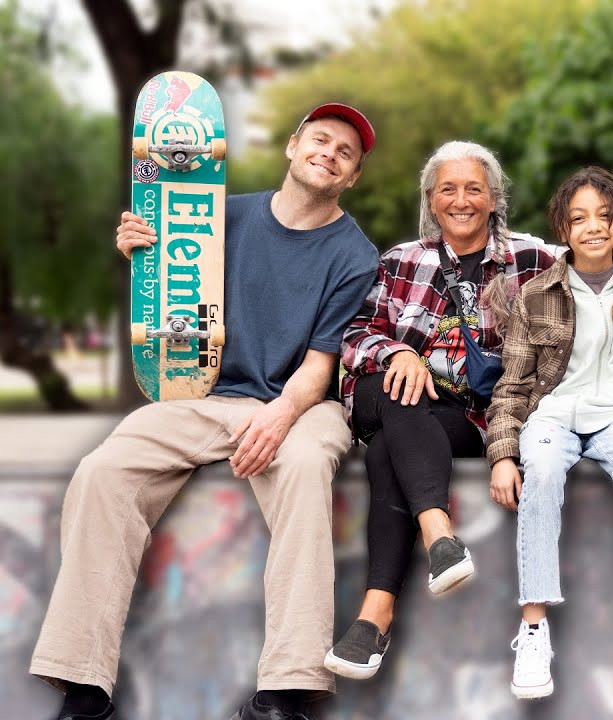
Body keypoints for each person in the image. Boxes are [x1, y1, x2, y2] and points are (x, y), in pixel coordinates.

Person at [32, 103, 381, 720]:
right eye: (320, 140)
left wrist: (278, 418)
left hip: (305, 403)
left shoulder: (355, 255)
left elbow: (321, 367)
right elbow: (164, 291)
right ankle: (84, 684)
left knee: (302, 468)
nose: (329, 153)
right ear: (293, 147)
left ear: (351, 177)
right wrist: (138, 248)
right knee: (103, 471)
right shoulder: (218, 216)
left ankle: (285, 689)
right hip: (209, 396)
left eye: (345, 152)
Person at [327, 141, 558, 680]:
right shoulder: (400, 260)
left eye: (474, 188)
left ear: (494, 198)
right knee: (396, 386)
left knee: (391, 447)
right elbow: (355, 335)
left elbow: (606, 258)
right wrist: (399, 352)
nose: (461, 200)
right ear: (431, 200)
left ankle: (375, 615)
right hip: (385, 394)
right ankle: (438, 533)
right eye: (447, 189)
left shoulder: (536, 259)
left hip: (466, 415)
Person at [487, 166, 613, 699]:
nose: (593, 228)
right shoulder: (537, 294)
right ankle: (534, 629)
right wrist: (503, 454)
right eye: (579, 219)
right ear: (563, 229)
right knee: (544, 476)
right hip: (553, 412)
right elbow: (513, 385)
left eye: (604, 217)